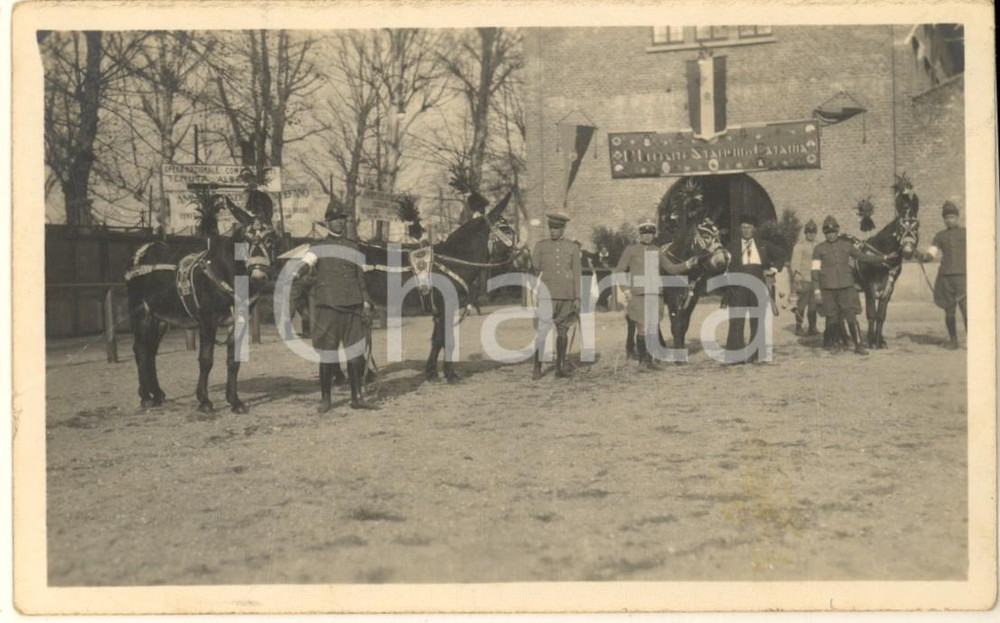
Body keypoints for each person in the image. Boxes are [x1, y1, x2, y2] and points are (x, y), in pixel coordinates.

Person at [296, 202, 377, 412]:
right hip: (328, 308)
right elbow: (306, 262)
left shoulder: (354, 247)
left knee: (355, 355)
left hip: (353, 307)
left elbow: (361, 279)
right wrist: (298, 271)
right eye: (334, 219)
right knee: (327, 355)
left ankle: (357, 397)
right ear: (327, 222)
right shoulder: (318, 246)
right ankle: (326, 400)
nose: (339, 222)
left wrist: (366, 303)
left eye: (342, 218)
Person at [811, 215, 893, 356]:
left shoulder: (846, 245)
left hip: (846, 287)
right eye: (828, 233)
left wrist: (884, 257)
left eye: (833, 232)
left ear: (837, 231)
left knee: (851, 316)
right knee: (832, 317)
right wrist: (817, 291)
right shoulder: (819, 249)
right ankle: (834, 344)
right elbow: (815, 272)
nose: (831, 235)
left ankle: (858, 345)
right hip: (828, 288)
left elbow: (864, 257)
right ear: (824, 233)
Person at [722, 213, 778, 364]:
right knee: (736, 320)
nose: (746, 230)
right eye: (743, 227)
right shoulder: (732, 246)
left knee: (757, 320)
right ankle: (735, 356)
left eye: (749, 227)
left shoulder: (763, 244)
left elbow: (781, 254)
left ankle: (756, 355)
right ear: (740, 229)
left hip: (757, 286)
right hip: (738, 288)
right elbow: (723, 264)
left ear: (754, 229)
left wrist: (773, 270)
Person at [531, 212, 581, 380]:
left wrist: (577, 297)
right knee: (542, 331)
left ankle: (560, 367)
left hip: (567, 294)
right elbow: (534, 269)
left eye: (557, 228)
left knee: (563, 330)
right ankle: (537, 367)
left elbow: (577, 273)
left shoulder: (572, 248)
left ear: (563, 229)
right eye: (551, 228)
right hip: (547, 294)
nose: (553, 231)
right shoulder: (541, 246)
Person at [916, 201, 966, 349]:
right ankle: (953, 341)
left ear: (957, 218)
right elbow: (931, 254)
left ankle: (973, 340)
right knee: (949, 311)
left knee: (967, 311)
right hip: (946, 278)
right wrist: (921, 256)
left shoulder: (966, 233)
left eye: (952, 217)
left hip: (963, 277)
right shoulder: (940, 236)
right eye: (946, 218)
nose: (949, 220)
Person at [616, 219, 664, 370]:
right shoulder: (631, 250)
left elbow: (671, 268)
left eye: (650, 234)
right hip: (637, 294)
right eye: (645, 234)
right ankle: (642, 362)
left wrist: (689, 264)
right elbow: (619, 270)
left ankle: (649, 360)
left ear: (654, 235)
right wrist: (625, 289)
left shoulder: (658, 251)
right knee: (642, 327)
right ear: (640, 235)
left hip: (654, 294)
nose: (647, 236)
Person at [790, 219, 819, 336]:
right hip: (804, 279)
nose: (811, 234)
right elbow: (795, 263)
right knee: (801, 305)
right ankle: (798, 327)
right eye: (809, 232)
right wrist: (797, 275)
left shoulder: (818, 246)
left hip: (815, 280)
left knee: (813, 305)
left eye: (813, 232)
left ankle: (812, 327)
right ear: (805, 233)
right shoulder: (799, 246)